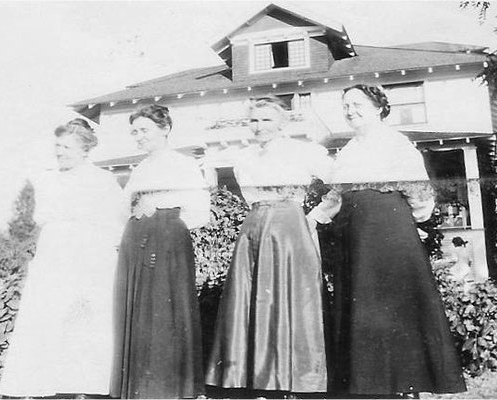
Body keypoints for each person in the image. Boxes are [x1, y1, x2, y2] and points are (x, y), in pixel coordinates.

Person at [314, 84, 466, 397]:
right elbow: (336, 195)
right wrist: (311, 219)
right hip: (353, 237)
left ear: (378, 106)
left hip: (388, 232)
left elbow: (420, 197)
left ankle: (405, 384)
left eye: (358, 104)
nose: (350, 110)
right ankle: (370, 385)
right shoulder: (349, 150)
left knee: (393, 307)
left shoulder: (396, 144)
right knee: (364, 307)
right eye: (346, 105)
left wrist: (407, 220)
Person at [205, 96, 335, 396]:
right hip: (254, 227)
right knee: (252, 297)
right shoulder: (244, 158)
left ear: (282, 122)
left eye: (266, 120)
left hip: (289, 228)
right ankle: (255, 376)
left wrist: (316, 217)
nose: (259, 126)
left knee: (290, 298)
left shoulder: (304, 151)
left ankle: (293, 378)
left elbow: (339, 184)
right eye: (254, 120)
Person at [0, 119, 129, 398]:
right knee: (47, 314)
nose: (60, 152)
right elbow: (41, 220)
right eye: (57, 146)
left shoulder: (103, 181)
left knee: (85, 319)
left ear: (85, 149)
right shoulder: (46, 180)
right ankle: (38, 384)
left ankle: (85, 385)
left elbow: (118, 223)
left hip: (89, 255)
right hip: (54, 254)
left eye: (67, 147)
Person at [111, 104, 210, 399]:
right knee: (142, 313)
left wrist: (165, 223)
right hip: (138, 242)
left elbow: (199, 211)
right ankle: (144, 387)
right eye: (134, 132)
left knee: (166, 312)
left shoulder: (183, 164)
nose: (138, 136)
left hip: (168, 244)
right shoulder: (140, 169)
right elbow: (123, 209)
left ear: (164, 129)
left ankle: (169, 387)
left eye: (144, 130)